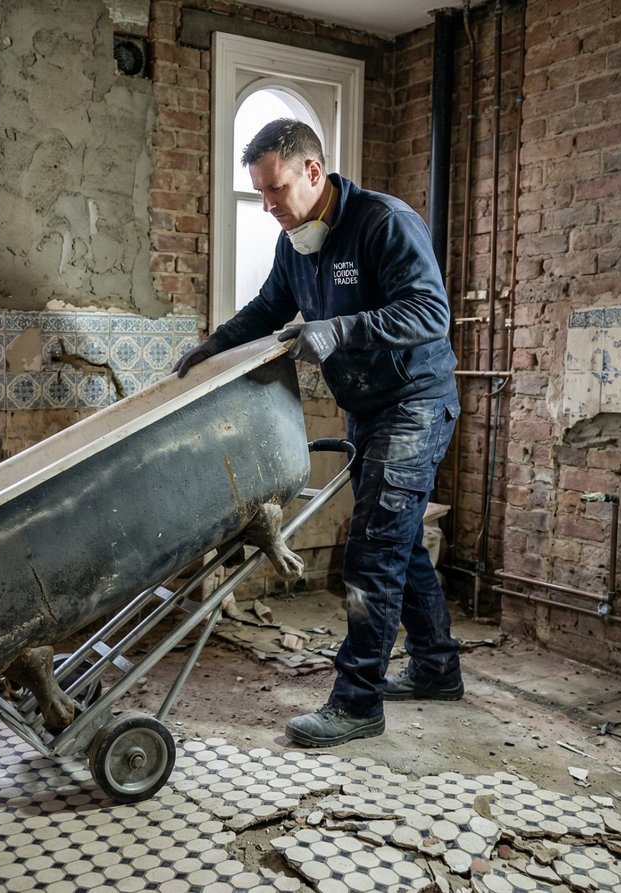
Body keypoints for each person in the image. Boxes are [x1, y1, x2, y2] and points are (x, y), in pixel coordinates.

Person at [174, 118, 463, 747]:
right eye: (260, 193)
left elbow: (430, 312)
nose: (270, 206)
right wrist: (211, 348)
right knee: (401, 541)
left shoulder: (383, 223)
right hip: (368, 406)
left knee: (374, 550)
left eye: (276, 188)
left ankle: (358, 701)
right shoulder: (296, 244)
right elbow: (266, 311)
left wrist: (340, 329)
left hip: (415, 401)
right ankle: (438, 668)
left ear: (313, 170)